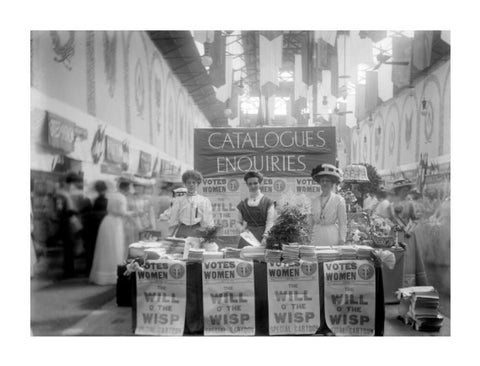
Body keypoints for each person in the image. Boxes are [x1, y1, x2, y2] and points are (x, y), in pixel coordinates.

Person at [89, 179, 135, 285]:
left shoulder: (111, 195)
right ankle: (113, 275)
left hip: (106, 221)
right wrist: (133, 213)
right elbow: (122, 212)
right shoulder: (122, 197)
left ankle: (100, 275)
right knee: (115, 248)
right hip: (115, 224)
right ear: (127, 188)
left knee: (105, 249)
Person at [54, 172, 91, 278]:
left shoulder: (61, 193)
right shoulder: (81, 193)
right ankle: (73, 270)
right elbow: (85, 206)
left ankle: (69, 271)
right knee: (75, 246)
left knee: (68, 248)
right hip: (78, 221)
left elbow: (59, 210)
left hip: (67, 222)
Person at [235, 171, 275, 248]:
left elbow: (270, 222)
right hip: (247, 238)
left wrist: (266, 237)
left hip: (263, 238)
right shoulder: (242, 204)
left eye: (255, 183)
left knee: (262, 259)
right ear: (247, 185)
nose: (253, 186)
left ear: (260, 183)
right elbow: (237, 222)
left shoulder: (268, 202)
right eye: (250, 184)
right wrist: (242, 230)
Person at [310, 163, 347, 246]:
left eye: (327, 181)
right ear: (319, 183)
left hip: (331, 234)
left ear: (332, 183)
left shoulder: (339, 200)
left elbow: (343, 222)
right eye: (322, 181)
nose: (325, 183)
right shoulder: (315, 200)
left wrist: (342, 239)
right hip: (317, 234)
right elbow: (311, 221)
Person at [168, 170, 213, 238]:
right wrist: (170, 235)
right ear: (185, 184)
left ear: (198, 184)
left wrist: (208, 236)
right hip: (182, 230)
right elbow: (174, 219)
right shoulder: (179, 200)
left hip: (197, 230)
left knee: (195, 248)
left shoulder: (204, 201)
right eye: (188, 183)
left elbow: (207, 221)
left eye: (193, 182)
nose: (191, 185)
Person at [83, 180, 108, 275]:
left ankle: (90, 268)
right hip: (102, 224)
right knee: (99, 247)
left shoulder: (92, 198)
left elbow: (88, 211)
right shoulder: (106, 199)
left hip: (93, 225)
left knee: (92, 247)